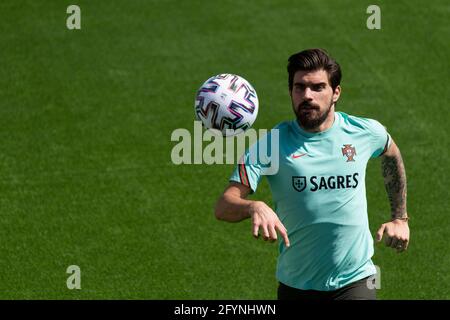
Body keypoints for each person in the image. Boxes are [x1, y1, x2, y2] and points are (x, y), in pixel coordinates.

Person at [214, 48, 409, 300]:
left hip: (356, 280)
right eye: (299, 87)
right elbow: (223, 206)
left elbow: (391, 153)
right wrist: (253, 206)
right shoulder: (270, 144)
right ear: (291, 92)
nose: (307, 95)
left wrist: (400, 218)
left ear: (335, 92)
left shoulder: (364, 131)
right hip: (297, 287)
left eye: (317, 87)